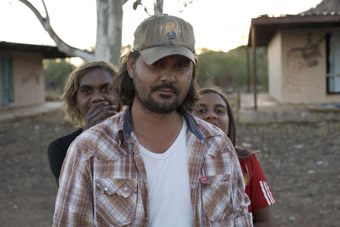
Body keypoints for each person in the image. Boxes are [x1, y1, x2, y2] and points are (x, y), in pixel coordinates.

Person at [53, 14, 253, 226]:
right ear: (131, 66)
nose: (168, 77)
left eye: (180, 66)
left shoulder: (218, 146)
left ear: (192, 71)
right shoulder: (89, 150)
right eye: (156, 64)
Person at [193, 87, 276, 226]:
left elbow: (266, 221)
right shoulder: (177, 163)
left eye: (219, 111)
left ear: (229, 122)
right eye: (201, 111)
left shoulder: (246, 162)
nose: (211, 115)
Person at [47, 61, 121, 186]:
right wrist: (89, 139)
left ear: (120, 95)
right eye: (87, 91)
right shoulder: (60, 148)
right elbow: (74, 197)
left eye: (106, 89)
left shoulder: (138, 139)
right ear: (75, 101)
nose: (97, 97)